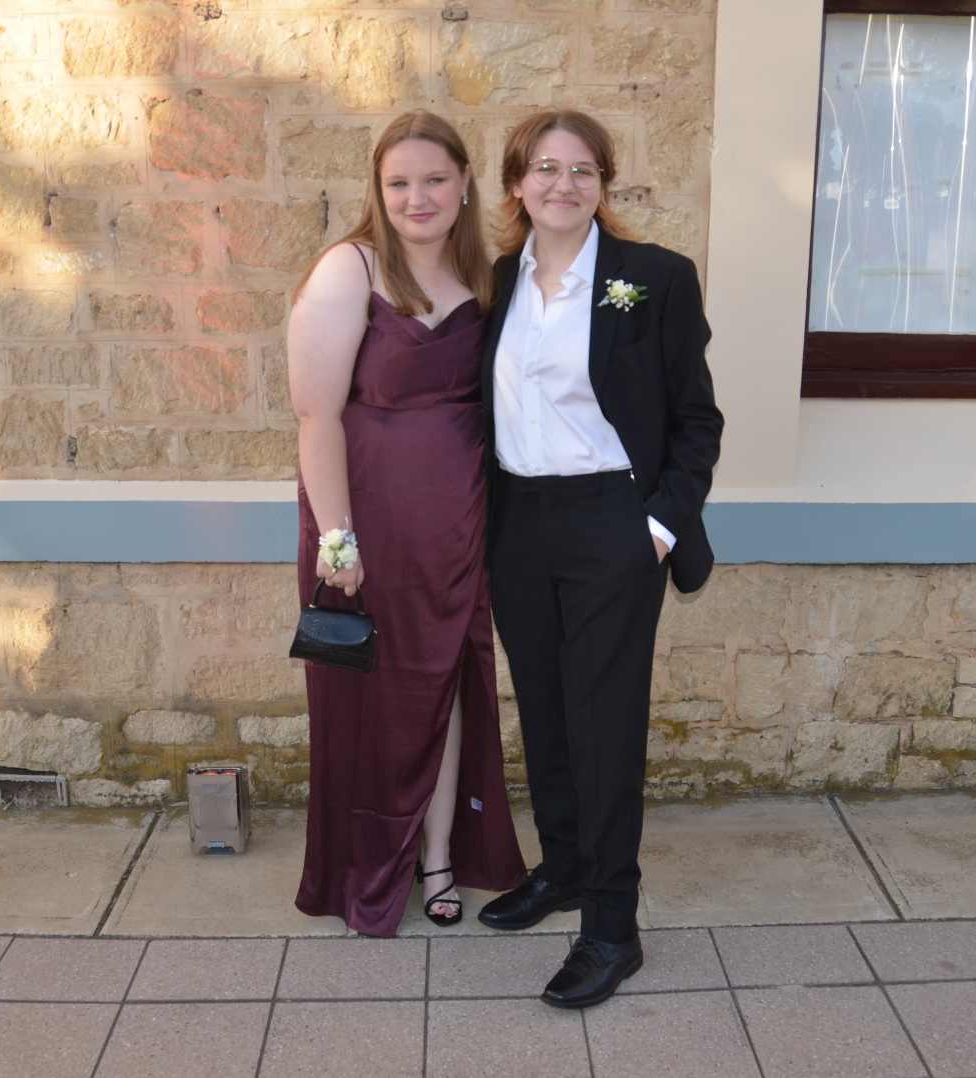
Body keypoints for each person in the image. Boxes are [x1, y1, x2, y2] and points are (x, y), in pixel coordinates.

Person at [477, 110, 724, 1007]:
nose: (564, 184)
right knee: (545, 707)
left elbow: (697, 420)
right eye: (545, 168)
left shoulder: (654, 278)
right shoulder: (497, 281)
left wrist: (656, 528)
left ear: (603, 186)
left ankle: (613, 927)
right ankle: (567, 866)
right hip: (518, 521)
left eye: (583, 170)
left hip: (612, 523)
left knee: (605, 723)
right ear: (517, 184)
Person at [287, 110, 527, 938]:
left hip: (458, 526)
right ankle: (367, 861)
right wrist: (337, 538)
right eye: (398, 183)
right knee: (371, 693)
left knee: (444, 685)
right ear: (377, 190)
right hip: (364, 524)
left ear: (465, 184)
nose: (416, 198)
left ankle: (438, 856)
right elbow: (316, 416)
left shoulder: (487, 276)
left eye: (433, 180)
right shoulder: (348, 270)